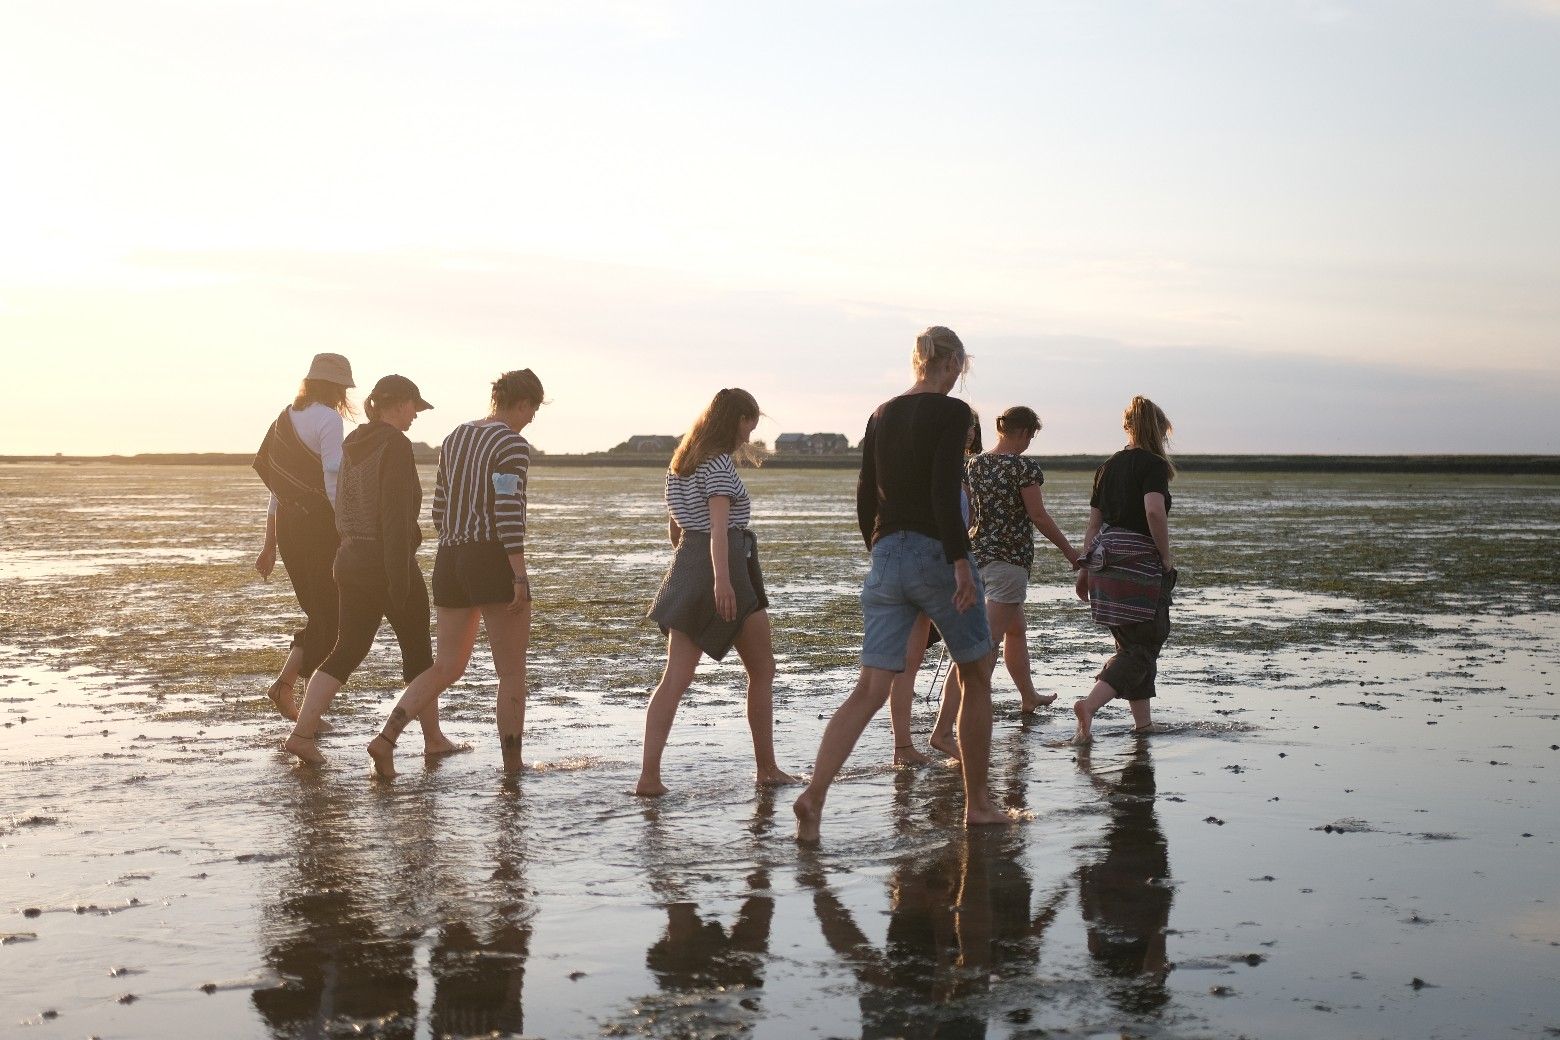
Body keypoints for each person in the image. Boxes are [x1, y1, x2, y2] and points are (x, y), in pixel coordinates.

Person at [794, 326, 1008, 844]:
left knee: (871, 686)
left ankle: (815, 796)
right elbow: (942, 487)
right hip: (936, 552)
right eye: (961, 365)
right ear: (954, 362)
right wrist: (960, 561)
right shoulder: (954, 413)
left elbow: (866, 494)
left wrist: (883, 551)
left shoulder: (881, 413)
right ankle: (978, 805)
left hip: (886, 554)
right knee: (976, 672)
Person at [366, 369, 544, 777]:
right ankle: (513, 767)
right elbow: (507, 510)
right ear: (521, 403)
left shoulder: (455, 438)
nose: (532, 418)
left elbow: (440, 508)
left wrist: (457, 544)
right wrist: (518, 575)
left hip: (451, 557)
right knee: (511, 671)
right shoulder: (512, 443)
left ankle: (386, 738)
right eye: (532, 409)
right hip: (492, 557)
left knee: (446, 665)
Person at [284, 375, 463, 765]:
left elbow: (343, 504)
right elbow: (396, 516)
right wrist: (399, 578)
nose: (416, 415)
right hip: (387, 562)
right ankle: (432, 739)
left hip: (349, 558)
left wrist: (349, 550)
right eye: (414, 406)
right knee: (418, 655)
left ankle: (301, 734)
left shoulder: (353, 442)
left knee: (346, 649)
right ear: (398, 404)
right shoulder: (395, 445)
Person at [635, 388, 799, 796]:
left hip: (687, 566)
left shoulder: (680, 462)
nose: (750, 433)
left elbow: (676, 528)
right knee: (762, 670)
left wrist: (694, 570)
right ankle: (767, 769)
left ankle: (649, 778)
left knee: (674, 678)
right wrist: (722, 581)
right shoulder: (720, 464)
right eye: (749, 423)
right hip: (727, 571)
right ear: (735, 420)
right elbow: (721, 528)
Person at [926, 405, 1082, 748]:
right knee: (978, 651)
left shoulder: (974, 463)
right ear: (1025, 432)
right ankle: (942, 731)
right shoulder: (1024, 468)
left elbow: (965, 514)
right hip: (1009, 564)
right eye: (1031, 436)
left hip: (976, 559)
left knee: (1015, 628)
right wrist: (1072, 554)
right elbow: (1038, 516)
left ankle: (1028, 696)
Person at [253, 353, 354, 721]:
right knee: (333, 616)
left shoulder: (285, 418)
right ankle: (294, 691)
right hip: (320, 527)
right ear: (336, 387)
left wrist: (270, 544)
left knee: (320, 612)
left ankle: (284, 685)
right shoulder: (329, 419)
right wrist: (345, 527)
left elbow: (277, 491)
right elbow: (332, 475)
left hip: (292, 529)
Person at [1072, 396, 1178, 742]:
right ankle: (1089, 705)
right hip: (1138, 564)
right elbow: (1153, 512)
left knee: (1130, 647)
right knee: (1144, 645)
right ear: (1159, 431)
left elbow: (1093, 525)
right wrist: (1165, 557)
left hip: (1105, 560)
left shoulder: (1108, 467)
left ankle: (1142, 724)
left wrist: (1085, 569)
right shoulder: (1152, 466)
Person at [884, 410, 980, 766]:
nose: (969, 432)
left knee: (937, 659)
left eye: (972, 427)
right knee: (913, 663)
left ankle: (924, 740)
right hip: (936, 572)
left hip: (941, 569)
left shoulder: (959, 473)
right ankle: (909, 745)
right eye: (964, 426)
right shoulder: (937, 474)